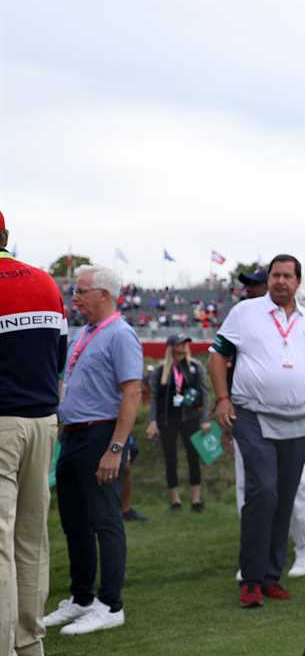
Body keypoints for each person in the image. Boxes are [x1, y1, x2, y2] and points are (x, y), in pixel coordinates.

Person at [208, 254, 305, 608]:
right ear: (268, 280)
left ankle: (270, 576)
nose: (280, 281)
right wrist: (222, 398)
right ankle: (250, 578)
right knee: (263, 490)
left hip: (297, 418)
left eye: (287, 276)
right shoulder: (245, 312)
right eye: (275, 275)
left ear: (298, 281)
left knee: (282, 496)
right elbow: (217, 356)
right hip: (252, 415)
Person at [41, 266, 141, 635]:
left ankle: (111, 603)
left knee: (105, 521)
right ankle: (82, 597)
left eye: (81, 290)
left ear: (104, 294)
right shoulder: (83, 333)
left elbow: (132, 393)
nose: (74, 297)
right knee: (75, 522)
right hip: (73, 435)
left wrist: (116, 448)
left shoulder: (121, 335)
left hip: (101, 435)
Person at [0, 215, 65, 654]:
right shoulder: (45, 282)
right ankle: (29, 643)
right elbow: (58, 354)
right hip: (43, 422)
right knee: (30, 538)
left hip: (2, 425)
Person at [144, 334, 210, 511]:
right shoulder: (160, 371)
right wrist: (152, 421)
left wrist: (204, 419)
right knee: (170, 458)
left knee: (193, 457)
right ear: (171, 346)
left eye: (186, 342)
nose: (184, 345)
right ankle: (175, 501)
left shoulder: (196, 367)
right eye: (180, 343)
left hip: (190, 418)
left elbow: (204, 394)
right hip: (167, 420)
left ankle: (196, 500)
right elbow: (154, 398)